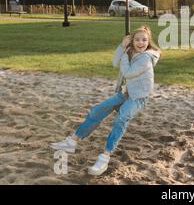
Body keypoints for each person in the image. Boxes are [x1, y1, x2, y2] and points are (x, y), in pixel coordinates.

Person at [50, 26, 161, 175]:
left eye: (144, 40)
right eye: (137, 40)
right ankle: (72, 141)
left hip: (138, 97)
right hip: (124, 93)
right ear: (132, 41)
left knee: (121, 119)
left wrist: (124, 54)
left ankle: (105, 157)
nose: (141, 43)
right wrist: (122, 47)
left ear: (149, 42)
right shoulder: (130, 51)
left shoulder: (146, 58)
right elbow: (115, 63)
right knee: (97, 111)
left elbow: (128, 73)